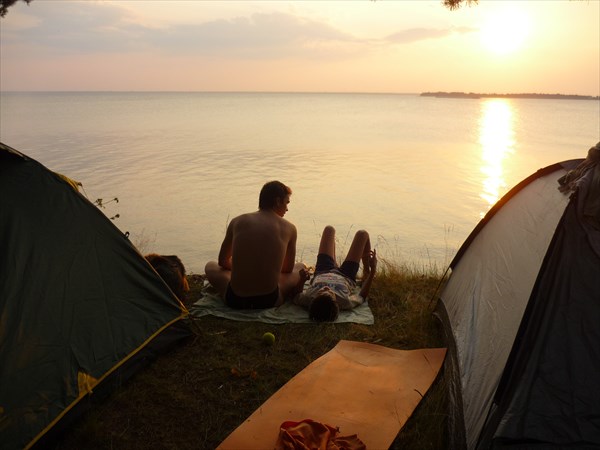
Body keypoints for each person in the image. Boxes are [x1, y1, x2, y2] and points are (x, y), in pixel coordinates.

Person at [204, 180, 306, 309]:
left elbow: (223, 261)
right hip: (269, 300)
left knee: (210, 266)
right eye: (286, 203)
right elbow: (287, 270)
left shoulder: (237, 221)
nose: (287, 208)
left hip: (235, 300)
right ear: (278, 201)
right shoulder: (290, 228)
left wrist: (244, 269)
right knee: (300, 267)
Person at [294, 225, 377, 322]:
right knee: (362, 234)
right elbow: (362, 296)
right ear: (337, 303)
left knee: (329, 229)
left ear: (314, 300)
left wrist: (302, 280)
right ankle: (366, 272)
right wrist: (372, 271)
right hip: (346, 275)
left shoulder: (308, 299)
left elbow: (296, 295)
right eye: (330, 293)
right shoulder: (345, 302)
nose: (326, 288)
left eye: (320, 292)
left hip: (322, 270)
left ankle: (333, 263)